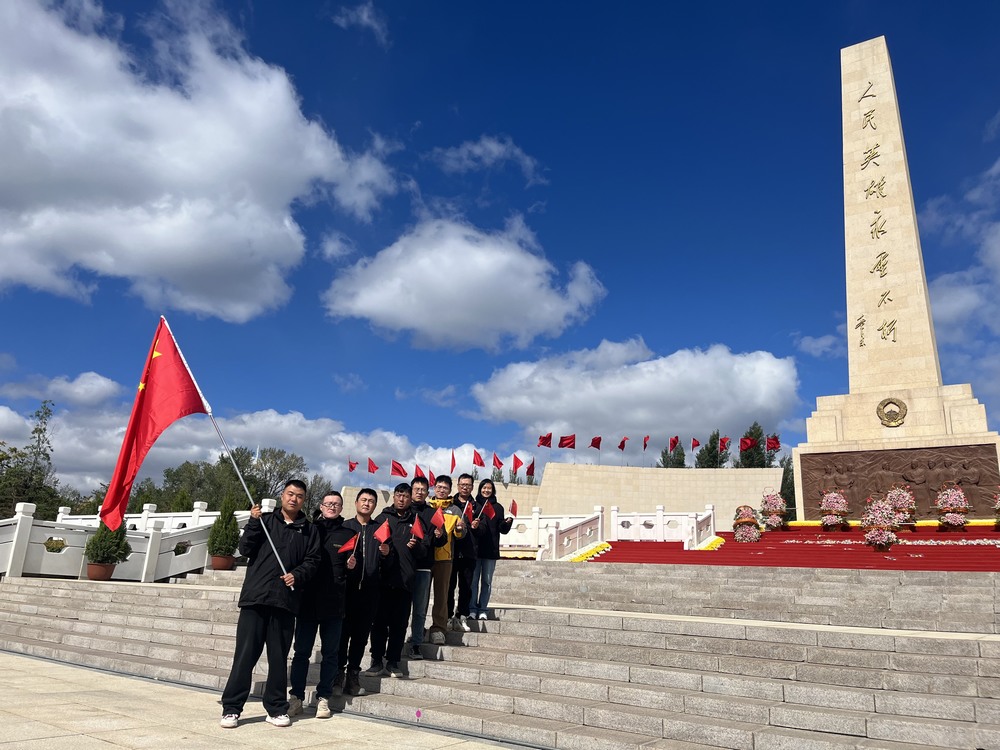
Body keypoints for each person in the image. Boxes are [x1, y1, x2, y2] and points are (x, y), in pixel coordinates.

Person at [220, 480, 321, 729]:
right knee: (244, 657)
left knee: (278, 659)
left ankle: (276, 708)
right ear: (282, 495)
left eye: (299, 496)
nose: (294, 499)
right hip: (256, 598)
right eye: (290, 494)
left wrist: (297, 574)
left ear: (304, 500)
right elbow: (245, 549)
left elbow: (313, 560)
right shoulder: (265, 522)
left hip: (285, 602)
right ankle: (232, 708)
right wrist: (253, 523)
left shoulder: (309, 530)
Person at [287, 492, 353, 719]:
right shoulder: (309, 529)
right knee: (301, 652)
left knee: (331, 654)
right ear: (321, 506)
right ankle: (295, 697)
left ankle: (323, 697)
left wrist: (354, 564)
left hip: (334, 602)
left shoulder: (349, 533)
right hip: (308, 601)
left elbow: (356, 566)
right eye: (328, 503)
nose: (332, 507)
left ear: (341, 507)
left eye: (336, 504)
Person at [336, 488, 390, 697]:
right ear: (356, 502)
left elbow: (389, 563)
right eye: (363, 500)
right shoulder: (345, 527)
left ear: (375, 506)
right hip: (347, 592)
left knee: (359, 638)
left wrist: (386, 554)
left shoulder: (380, 529)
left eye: (371, 501)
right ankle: (338, 675)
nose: (367, 504)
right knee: (342, 636)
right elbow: (336, 558)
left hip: (370, 592)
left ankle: (353, 676)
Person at [366, 483, 419, 677]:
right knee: (379, 623)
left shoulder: (416, 520)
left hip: (405, 581)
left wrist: (416, 547)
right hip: (382, 581)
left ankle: (393, 662)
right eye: (398, 495)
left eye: (405, 496)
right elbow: (374, 546)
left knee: (399, 624)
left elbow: (425, 551)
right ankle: (376, 660)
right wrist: (383, 554)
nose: (401, 499)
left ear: (410, 498)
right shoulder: (382, 518)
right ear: (394, 497)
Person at [407, 476, 445, 659]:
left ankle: (416, 644)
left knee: (420, 609)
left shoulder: (432, 513)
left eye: (423, 490)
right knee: (400, 608)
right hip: (403, 567)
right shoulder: (403, 511)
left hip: (423, 567)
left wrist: (439, 535)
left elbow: (442, 540)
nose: (419, 492)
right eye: (416, 489)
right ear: (411, 491)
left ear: (427, 493)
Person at [427, 475, 466, 645]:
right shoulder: (427, 507)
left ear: (450, 490)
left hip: (445, 559)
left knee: (442, 597)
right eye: (439, 487)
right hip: (425, 558)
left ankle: (438, 629)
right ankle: (418, 628)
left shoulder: (455, 510)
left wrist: (459, 529)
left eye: (445, 488)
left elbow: (460, 535)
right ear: (434, 488)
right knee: (421, 597)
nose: (442, 490)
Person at [469, 478, 513, 620]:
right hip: (475, 550)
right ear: (480, 489)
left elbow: (501, 529)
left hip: (490, 550)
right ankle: (472, 609)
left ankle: (483, 609)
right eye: (484, 488)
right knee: (473, 581)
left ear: (493, 490)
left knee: (487, 582)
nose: (486, 490)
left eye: (489, 488)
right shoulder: (474, 505)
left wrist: (507, 523)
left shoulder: (498, 507)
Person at [447, 473, 478, 632]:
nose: (465, 487)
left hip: (469, 552)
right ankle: (447, 616)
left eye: (468, 485)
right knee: (449, 586)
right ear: (457, 486)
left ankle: (462, 616)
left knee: (466, 587)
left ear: (472, 487)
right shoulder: (450, 504)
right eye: (462, 484)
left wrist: (476, 526)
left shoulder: (477, 505)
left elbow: (484, 530)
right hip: (451, 551)